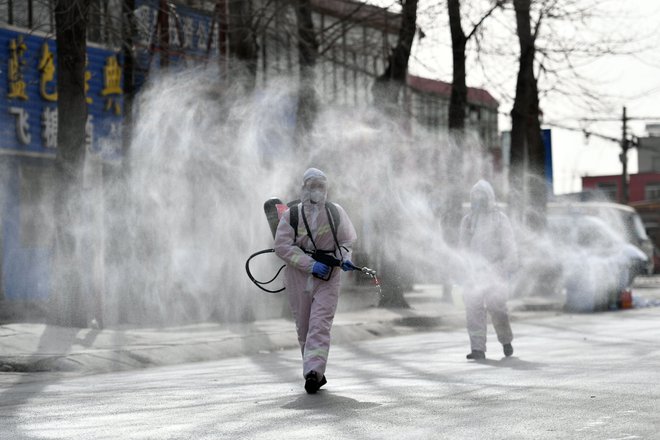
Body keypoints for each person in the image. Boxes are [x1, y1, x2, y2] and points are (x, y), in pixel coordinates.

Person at [274, 168, 357, 394]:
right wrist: (309, 264)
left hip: (328, 276)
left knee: (320, 324)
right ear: (304, 187)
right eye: (313, 185)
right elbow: (281, 246)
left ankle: (313, 373)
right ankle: (313, 368)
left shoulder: (335, 212)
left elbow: (347, 240)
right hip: (298, 277)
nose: (317, 190)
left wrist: (344, 258)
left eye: (321, 186)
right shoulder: (291, 215)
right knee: (304, 328)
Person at [458, 180, 518, 360]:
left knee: (497, 308)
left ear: (489, 197)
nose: (479, 200)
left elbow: (509, 245)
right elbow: (463, 247)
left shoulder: (500, 219)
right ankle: (477, 349)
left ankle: (506, 340)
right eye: (476, 196)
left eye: (482, 196)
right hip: (474, 272)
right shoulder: (468, 221)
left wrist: (508, 267)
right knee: (473, 309)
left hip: (496, 269)